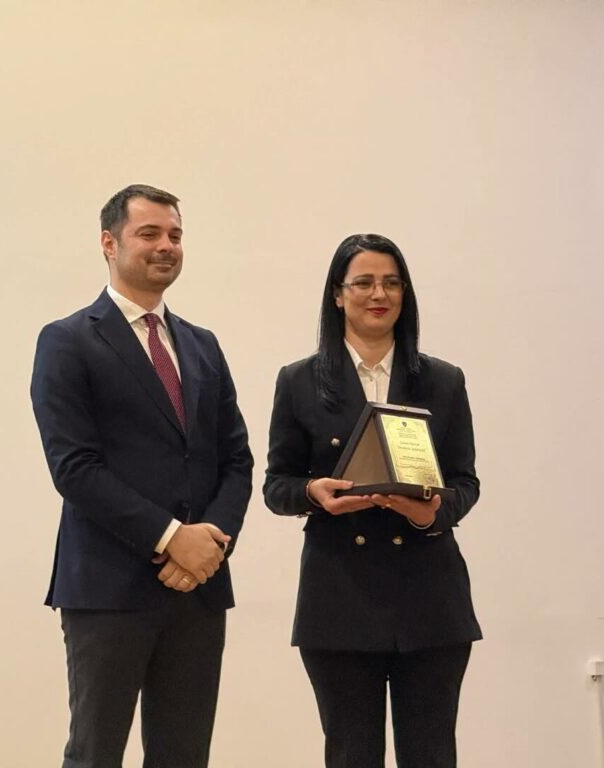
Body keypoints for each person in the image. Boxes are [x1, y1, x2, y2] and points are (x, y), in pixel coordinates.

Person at [31, 184, 253, 768]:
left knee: (184, 756)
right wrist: (170, 536)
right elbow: (74, 468)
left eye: (175, 235)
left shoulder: (202, 345)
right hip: (108, 586)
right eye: (149, 233)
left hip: (198, 588)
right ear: (109, 243)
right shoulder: (67, 340)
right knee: (95, 754)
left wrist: (209, 545)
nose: (166, 246)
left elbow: (236, 459)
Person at [264, 233, 481, 768]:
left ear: (405, 293)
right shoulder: (299, 381)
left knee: (431, 755)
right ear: (338, 295)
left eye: (391, 282)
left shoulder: (443, 380)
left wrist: (433, 514)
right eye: (362, 282)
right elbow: (277, 486)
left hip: (430, 600)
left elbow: (465, 481)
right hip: (339, 598)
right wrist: (314, 494)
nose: (378, 294)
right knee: (350, 755)